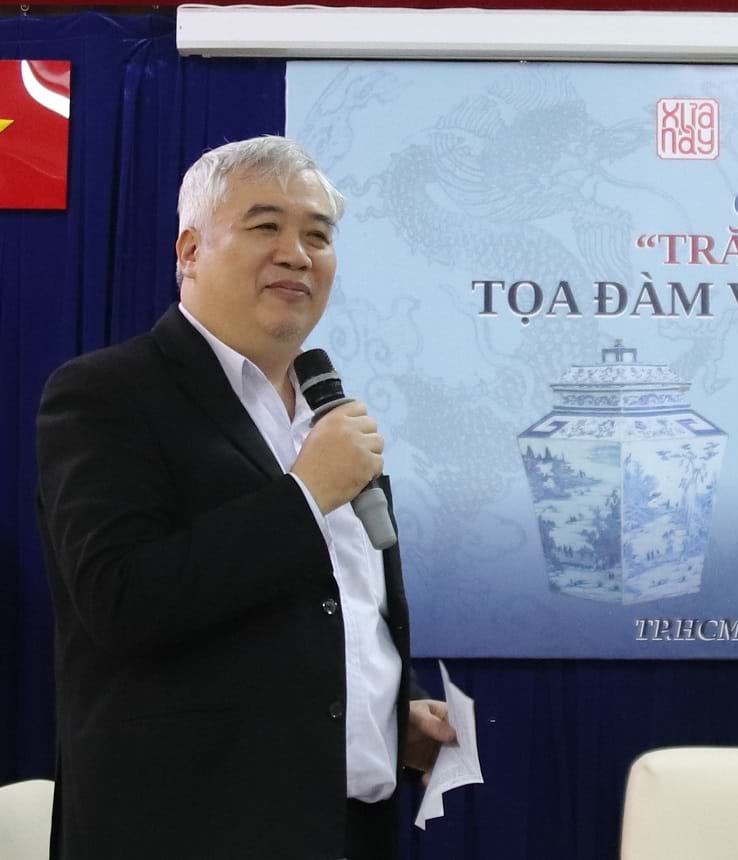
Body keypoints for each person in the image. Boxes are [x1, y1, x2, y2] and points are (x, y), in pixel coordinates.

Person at [35, 136, 455, 859]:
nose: (298, 254)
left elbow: (339, 604)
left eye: (318, 235)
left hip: (346, 828)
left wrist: (390, 708)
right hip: (188, 833)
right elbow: (120, 600)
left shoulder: (327, 412)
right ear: (190, 250)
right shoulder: (108, 393)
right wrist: (306, 495)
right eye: (266, 226)